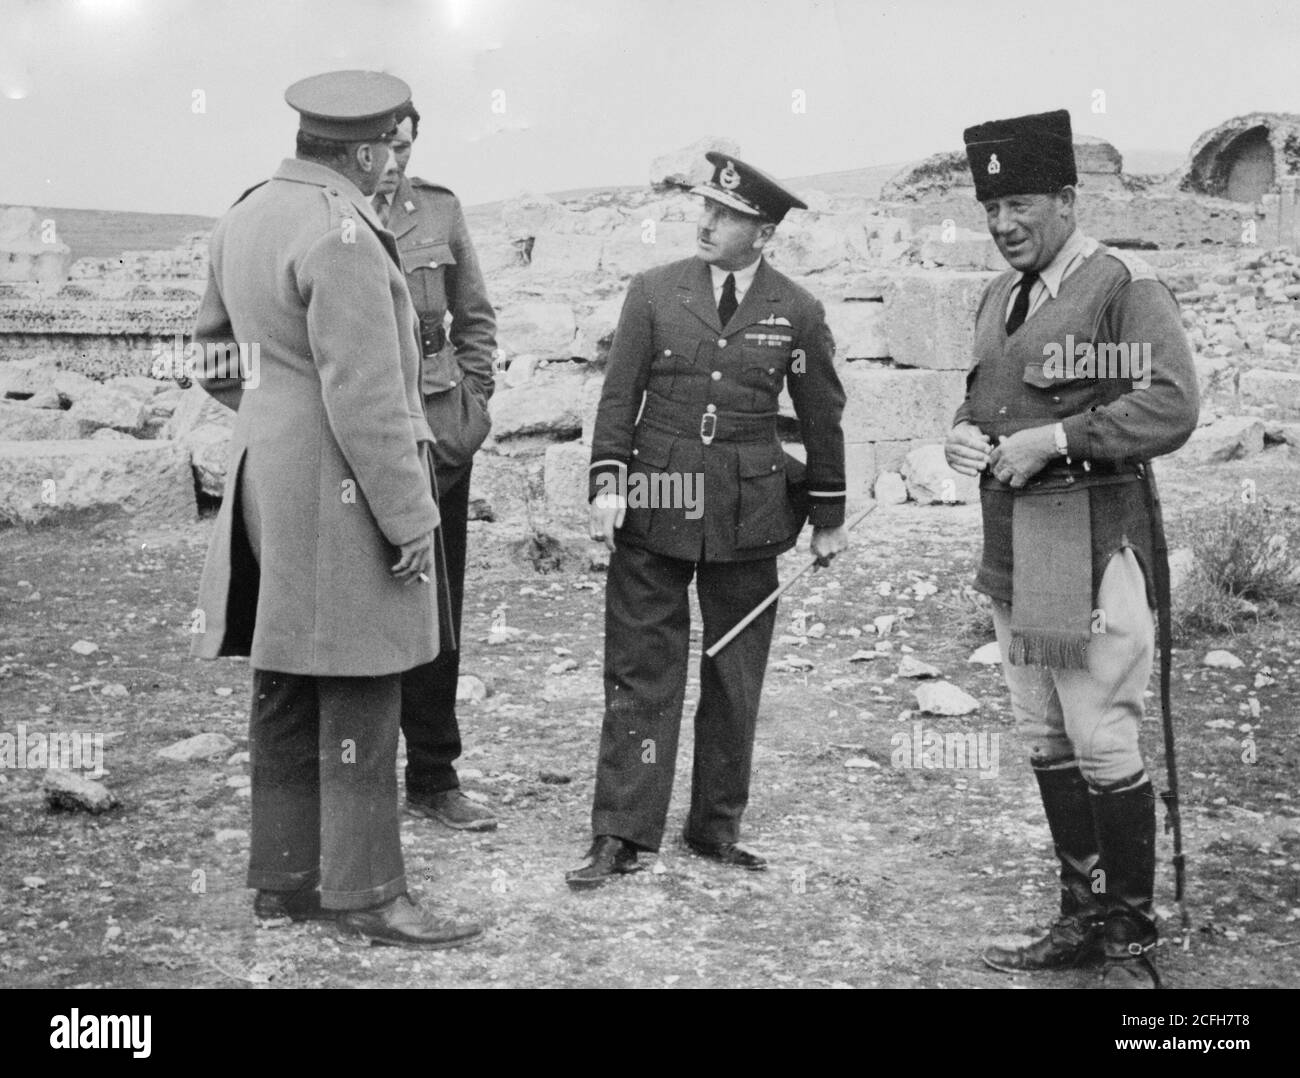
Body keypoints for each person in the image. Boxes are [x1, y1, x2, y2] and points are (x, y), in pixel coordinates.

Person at [189, 70, 481, 948]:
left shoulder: (245, 215)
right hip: (343, 488)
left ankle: (282, 880)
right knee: (362, 686)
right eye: (392, 145)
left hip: (266, 484)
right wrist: (410, 519)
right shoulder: (342, 235)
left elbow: (214, 359)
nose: (398, 160)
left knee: (284, 679)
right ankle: (367, 892)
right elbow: (367, 398)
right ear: (360, 150)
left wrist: (280, 420)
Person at [944, 109, 1199, 987]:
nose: (1003, 224)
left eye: (1018, 203)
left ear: (1063, 197)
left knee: (1100, 739)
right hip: (1017, 548)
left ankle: (1131, 944)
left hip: (1088, 541)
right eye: (990, 209)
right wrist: (962, 439)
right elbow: (986, 405)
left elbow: (1170, 405)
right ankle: (1081, 919)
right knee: (1044, 736)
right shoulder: (996, 298)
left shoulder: (1120, 289)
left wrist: (1056, 440)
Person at [566, 153, 848, 889]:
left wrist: (828, 515)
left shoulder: (798, 310)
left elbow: (822, 415)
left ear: (762, 231)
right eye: (706, 209)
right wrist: (607, 483)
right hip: (656, 503)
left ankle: (714, 827)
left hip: (750, 514)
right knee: (640, 672)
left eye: (724, 216)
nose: (706, 222)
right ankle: (621, 832)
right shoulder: (654, 292)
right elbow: (618, 397)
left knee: (735, 675)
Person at [372, 101, 500, 832]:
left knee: (437, 609)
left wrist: (472, 407)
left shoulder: (441, 211)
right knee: (363, 602)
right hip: (360, 441)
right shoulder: (337, 211)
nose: (398, 159)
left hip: (439, 440)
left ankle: (433, 774)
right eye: (389, 145)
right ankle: (355, 770)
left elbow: (474, 316)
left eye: (408, 145)